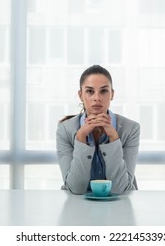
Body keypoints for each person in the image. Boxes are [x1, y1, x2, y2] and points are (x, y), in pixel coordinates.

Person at [56, 65, 140, 195]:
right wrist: (81, 137)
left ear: (112, 94)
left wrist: (113, 138)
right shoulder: (65, 129)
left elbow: (120, 188)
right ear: (80, 95)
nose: (97, 98)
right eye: (90, 91)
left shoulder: (131, 129)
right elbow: (75, 188)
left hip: (120, 205)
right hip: (78, 205)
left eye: (104, 91)